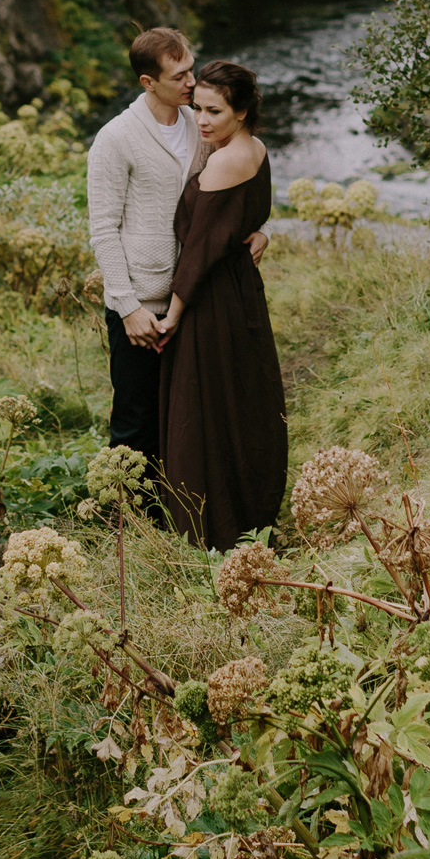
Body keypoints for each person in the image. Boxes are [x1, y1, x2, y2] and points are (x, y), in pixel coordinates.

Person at [86, 28, 267, 488]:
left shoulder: (201, 121)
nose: (192, 81)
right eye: (180, 75)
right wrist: (127, 307)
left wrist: (262, 228)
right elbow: (103, 227)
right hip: (142, 307)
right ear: (149, 82)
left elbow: (234, 185)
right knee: (134, 422)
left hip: (196, 299)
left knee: (185, 419)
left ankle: (178, 517)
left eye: (191, 67)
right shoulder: (116, 138)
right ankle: (127, 524)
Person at [155, 59, 288, 550]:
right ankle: (249, 513)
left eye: (214, 111)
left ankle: (211, 531)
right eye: (198, 109)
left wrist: (173, 312)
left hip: (212, 302)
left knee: (205, 408)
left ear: (243, 109)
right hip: (241, 293)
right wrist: (261, 233)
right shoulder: (253, 147)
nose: (203, 121)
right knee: (241, 402)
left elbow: (200, 252)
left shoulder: (227, 159)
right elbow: (247, 216)